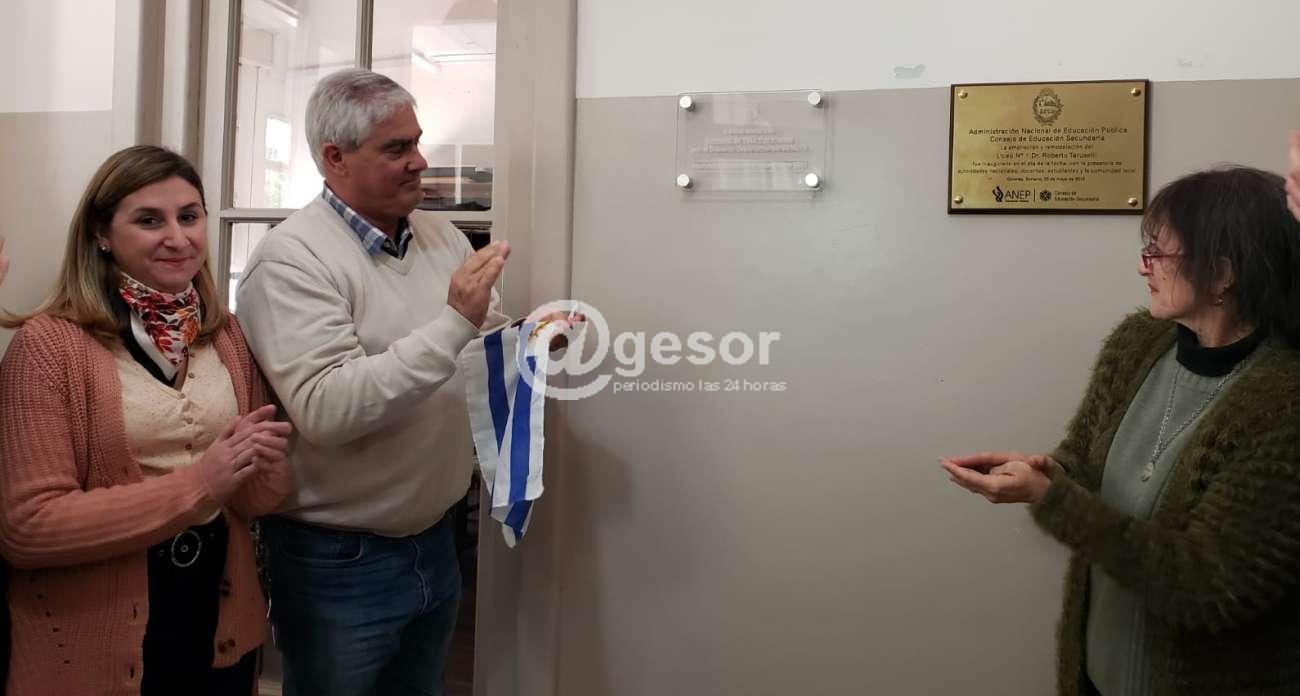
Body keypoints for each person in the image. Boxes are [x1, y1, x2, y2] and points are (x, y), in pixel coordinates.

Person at [941, 166, 1300, 695]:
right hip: (1095, 675)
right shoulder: (1137, 343)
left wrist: (1051, 499)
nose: (1141, 266)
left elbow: (1210, 587)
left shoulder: (1284, 402)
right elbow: (1086, 461)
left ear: (1223, 273)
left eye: (1157, 253)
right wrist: (1048, 472)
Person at [235, 68, 536, 696]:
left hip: (435, 539)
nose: (420, 161)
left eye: (416, 142)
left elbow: (482, 339)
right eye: (397, 148)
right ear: (335, 158)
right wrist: (453, 323)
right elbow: (327, 409)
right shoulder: (290, 259)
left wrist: (534, 337)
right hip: (337, 559)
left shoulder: (440, 236)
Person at [0, 145, 293, 695]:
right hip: (97, 639)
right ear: (101, 234)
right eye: (150, 220)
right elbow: (28, 528)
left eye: (189, 216)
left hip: (219, 622)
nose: (177, 238)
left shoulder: (225, 334)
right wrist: (202, 482)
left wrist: (268, 471)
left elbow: (251, 502)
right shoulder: (49, 346)